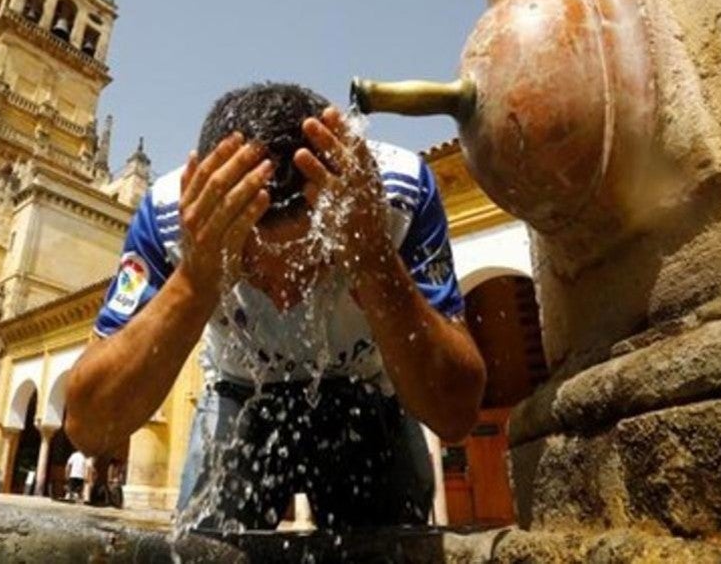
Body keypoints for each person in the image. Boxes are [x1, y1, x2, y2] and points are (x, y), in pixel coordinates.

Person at [66, 82, 486, 530]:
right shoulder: (175, 217)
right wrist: (196, 279)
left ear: (339, 218)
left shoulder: (393, 196)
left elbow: (455, 415)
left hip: (366, 388)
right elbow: (91, 429)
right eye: (252, 268)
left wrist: (373, 260)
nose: (285, 296)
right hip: (237, 390)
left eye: (310, 262)